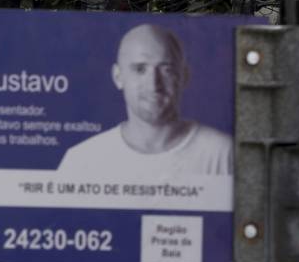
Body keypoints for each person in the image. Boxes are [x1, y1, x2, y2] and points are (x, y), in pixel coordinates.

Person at [57, 24, 233, 178]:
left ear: (184, 76)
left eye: (166, 70)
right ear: (118, 77)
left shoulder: (224, 154)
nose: (154, 83)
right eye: (140, 69)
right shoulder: (81, 162)